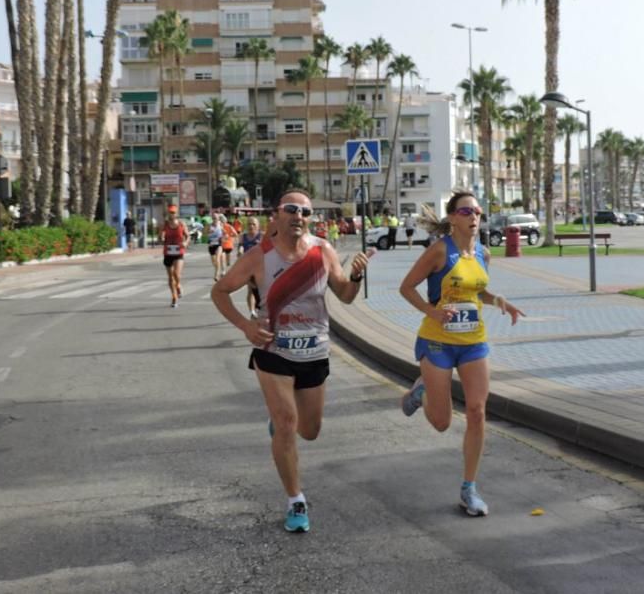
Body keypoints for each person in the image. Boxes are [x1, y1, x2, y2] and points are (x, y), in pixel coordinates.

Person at [211, 189, 371, 534]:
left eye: (305, 211)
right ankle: (295, 500)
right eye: (291, 209)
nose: (299, 216)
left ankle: (283, 428)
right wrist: (245, 325)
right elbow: (219, 291)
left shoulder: (323, 251)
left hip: (314, 350)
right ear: (277, 215)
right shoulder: (259, 256)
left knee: (309, 431)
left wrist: (355, 276)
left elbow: (344, 294)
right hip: (274, 350)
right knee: (286, 422)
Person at [398, 191, 524, 517]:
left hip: (473, 341)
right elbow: (406, 287)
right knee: (441, 422)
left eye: (478, 211)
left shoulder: (483, 252)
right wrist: (432, 311)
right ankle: (421, 389)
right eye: (466, 211)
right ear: (453, 217)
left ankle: (469, 488)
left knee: (477, 411)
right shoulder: (439, 251)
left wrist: (500, 302)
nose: (474, 217)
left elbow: (477, 289)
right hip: (437, 342)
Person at [161, 206, 188, 307]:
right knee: (170, 276)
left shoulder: (181, 224)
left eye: (173, 213)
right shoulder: (165, 224)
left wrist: (185, 242)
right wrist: (162, 238)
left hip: (179, 251)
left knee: (176, 274)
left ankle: (178, 285)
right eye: (170, 213)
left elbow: (187, 235)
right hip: (168, 252)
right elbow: (162, 234)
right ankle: (174, 297)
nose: (172, 214)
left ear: (176, 214)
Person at [239, 217, 263, 318]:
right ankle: (252, 311)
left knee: (262, 289)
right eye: (249, 224)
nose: (251, 226)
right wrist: (240, 251)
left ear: (258, 226)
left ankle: (261, 308)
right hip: (248, 267)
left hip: (261, 267)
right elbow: (240, 247)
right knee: (251, 289)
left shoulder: (262, 236)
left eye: (253, 224)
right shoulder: (243, 237)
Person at [207, 215, 224, 281]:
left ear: (218, 219)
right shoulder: (209, 225)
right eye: (213, 218)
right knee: (214, 262)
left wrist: (225, 236)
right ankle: (218, 269)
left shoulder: (220, 224)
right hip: (211, 245)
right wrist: (208, 232)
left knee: (217, 259)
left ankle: (216, 274)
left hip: (218, 244)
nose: (215, 219)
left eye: (216, 218)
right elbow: (204, 233)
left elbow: (224, 232)